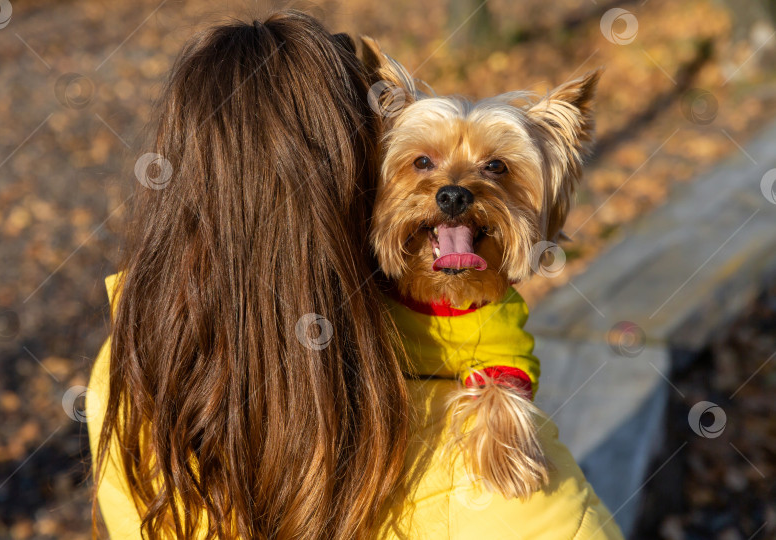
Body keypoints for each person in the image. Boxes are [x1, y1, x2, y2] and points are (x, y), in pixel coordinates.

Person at [88, 11, 624, 540]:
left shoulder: (126, 366)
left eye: (496, 169)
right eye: (422, 164)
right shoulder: (533, 513)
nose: (454, 188)